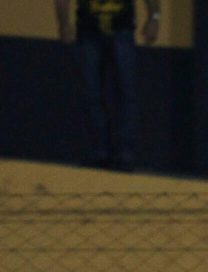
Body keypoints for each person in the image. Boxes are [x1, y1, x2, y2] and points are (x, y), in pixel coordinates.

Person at [55, 0, 160, 171]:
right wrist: (63, 23)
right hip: (89, 32)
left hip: (121, 29)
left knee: (126, 94)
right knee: (92, 94)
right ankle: (99, 153)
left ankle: (124, 154)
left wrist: (154, 18)